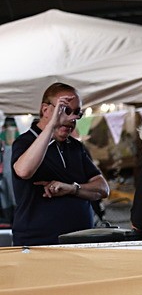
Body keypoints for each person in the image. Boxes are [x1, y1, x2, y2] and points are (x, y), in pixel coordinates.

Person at [11, 83, 110, 246]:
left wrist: (72, 188)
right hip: (39, 243)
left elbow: (102, 189)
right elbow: (24, 171)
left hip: (80, 241)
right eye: (65, 110)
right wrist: (51, 127)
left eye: (77, 112)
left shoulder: (75, 146)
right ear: (45, 110)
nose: (72, 118)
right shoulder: (25, 142)